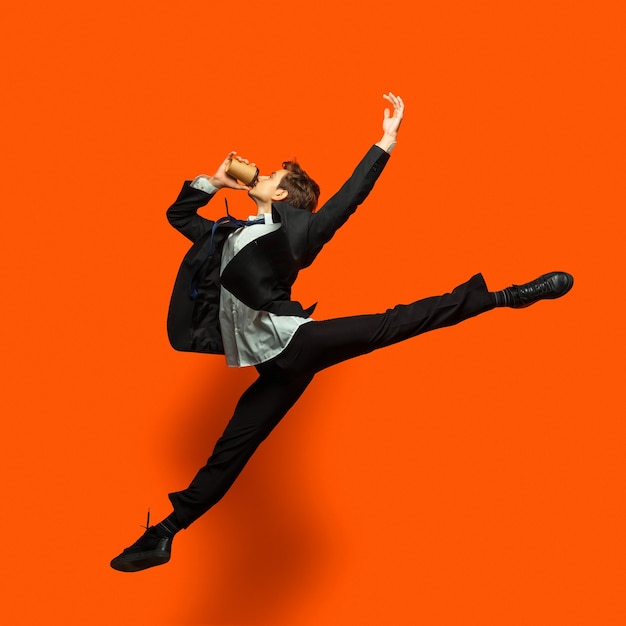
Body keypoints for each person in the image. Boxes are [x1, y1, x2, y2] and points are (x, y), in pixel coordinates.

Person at [111, 93, 573, 572]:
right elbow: (179, 217)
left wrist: (385, 143)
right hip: (273, 367)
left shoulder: (297, 233)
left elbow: (347, 200)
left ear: (283, 196)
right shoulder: (228, 232)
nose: (260, 174)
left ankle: (504, 296)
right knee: (232, 448)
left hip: (298, 342)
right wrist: (215, 181)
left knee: (396, 322)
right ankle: (163, 535)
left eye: (270, 177)